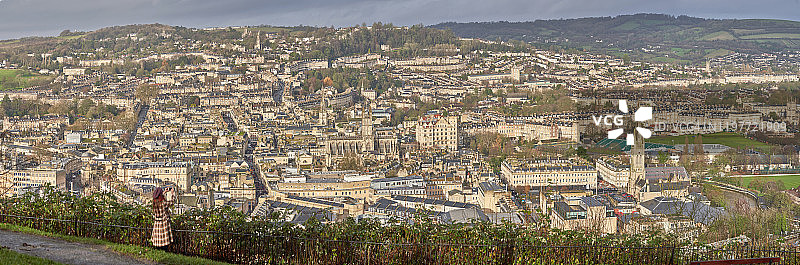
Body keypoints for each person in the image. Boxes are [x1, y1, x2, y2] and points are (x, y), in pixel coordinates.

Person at [151, 186, 176, 250]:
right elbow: (172, 202)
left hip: (157, 222)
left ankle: (158, 249)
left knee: (158, 237)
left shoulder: (154, 202)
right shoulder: (163, 203)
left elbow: (158, 197)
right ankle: (164, 250)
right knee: (164, 238)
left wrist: (164, 192)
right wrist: (172, 193)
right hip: (163, 221)